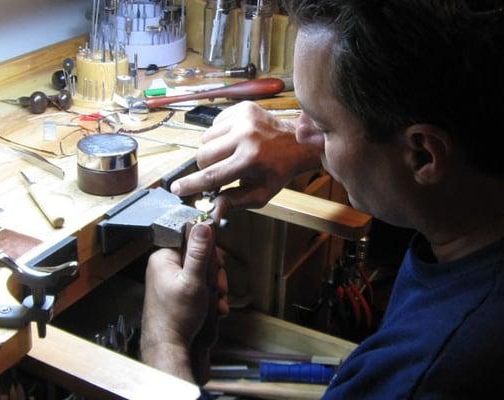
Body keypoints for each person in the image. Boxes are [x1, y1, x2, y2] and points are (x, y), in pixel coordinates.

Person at [141, 0, 504, 398]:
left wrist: (165, 340)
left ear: (422, 155)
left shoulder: (428, 371)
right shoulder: (473, 207)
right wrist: (319, 148)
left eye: (323, 126)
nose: (298, 135)